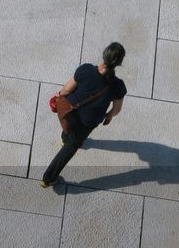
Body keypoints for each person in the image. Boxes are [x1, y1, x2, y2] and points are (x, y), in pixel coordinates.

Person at [41, 42, 127, 187]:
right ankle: (48, 178)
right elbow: (117, 109)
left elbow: (67, 90)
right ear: (119, 63)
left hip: (70, 109)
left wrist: (59, 95)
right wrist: (109, 115)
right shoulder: (118, 86)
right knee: (71, 147)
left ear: (104, 54)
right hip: (88, 122)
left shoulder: (86, 69)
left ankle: (64, 137)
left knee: (68, 123)